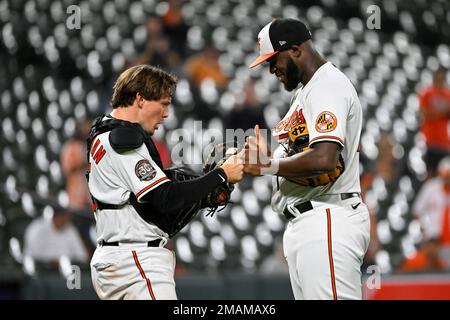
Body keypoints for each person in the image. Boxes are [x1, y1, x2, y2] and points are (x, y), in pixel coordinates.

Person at [87, 64, 244, 300]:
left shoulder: (105, 133)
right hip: (136, 260)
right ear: (140, 98)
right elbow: (164, 198)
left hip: (120, 256)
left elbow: (143, 202)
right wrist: (220, 175)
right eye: (163, 103)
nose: (166, 113)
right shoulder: (122, 140)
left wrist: (202, 194)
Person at [244, 18, 370, 300]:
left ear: (296, 51)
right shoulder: (307, 92)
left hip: (327, 217)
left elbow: (325, 159)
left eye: (273, 60)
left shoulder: (327, 86)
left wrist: (268, 165)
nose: (271, 69)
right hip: (311, 221)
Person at [23, 207, 89, 264]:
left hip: (66, 269)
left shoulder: (70, 229)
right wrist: (52, 261)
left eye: (67, 217)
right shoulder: (37, 228)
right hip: (41, 269)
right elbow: (30, 255)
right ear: (55, 216)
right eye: (63, 216)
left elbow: (82, 257)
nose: (66, 220)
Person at [418, 66, 450, 178]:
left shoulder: (448, 94)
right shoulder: (427, 93)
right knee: (430, 175)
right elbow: (424, 113)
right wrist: (443, 112)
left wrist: (435, 113)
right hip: (430, 140)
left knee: (443, 176)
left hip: (444, 142)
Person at [413, 156, 450, 245]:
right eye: (445, 175)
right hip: (432, 237)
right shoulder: (431, 187)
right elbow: (417, 210)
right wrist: (424, 228)